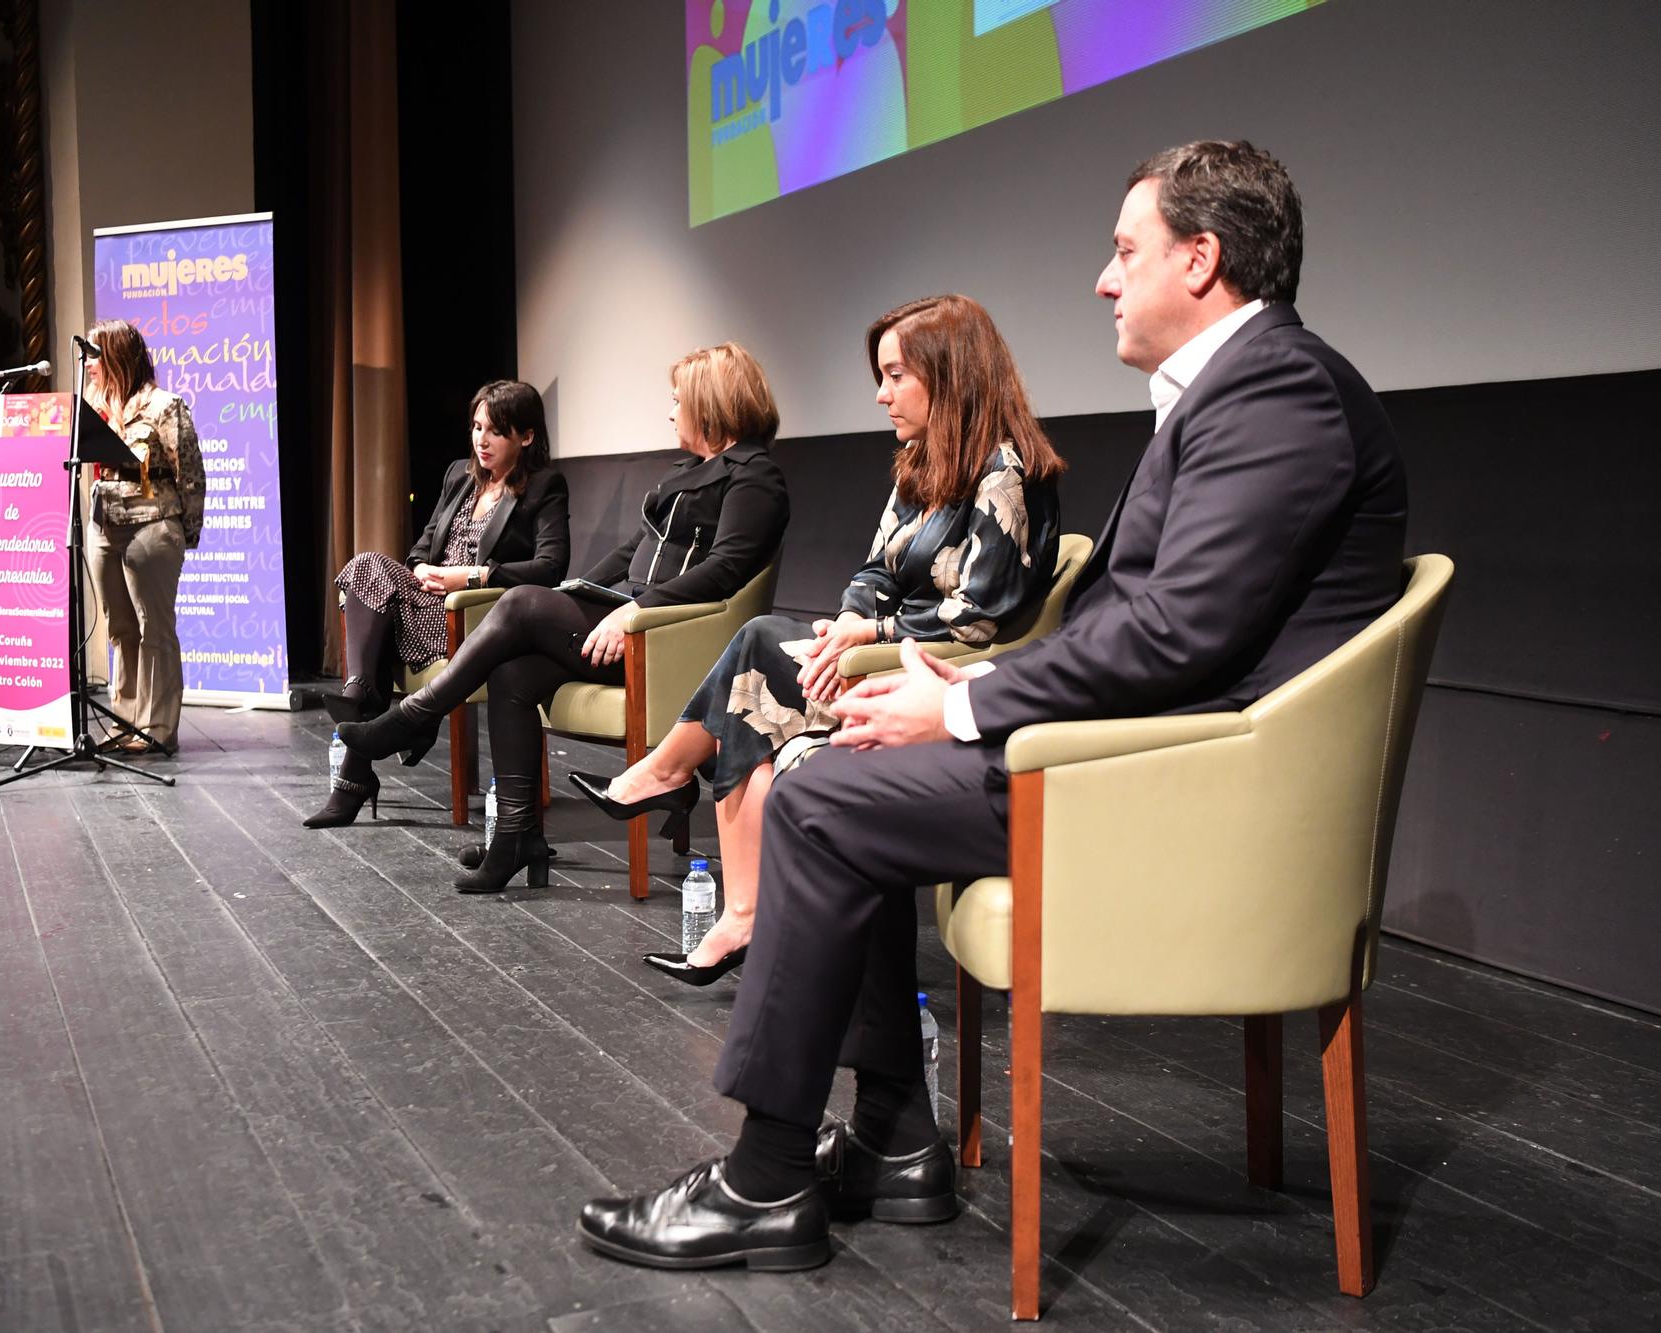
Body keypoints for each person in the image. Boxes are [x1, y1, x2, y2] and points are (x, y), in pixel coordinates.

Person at [577, 140, 1409, 1272]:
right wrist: (967, 684)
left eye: (1125, 251)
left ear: (1202, 260)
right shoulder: (1244, 391)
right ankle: (891, 1143)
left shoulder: (1276, 392)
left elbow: (1180, 635)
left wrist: (965, 711)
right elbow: (1153, 624)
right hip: (1151, 755)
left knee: (821, 798)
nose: (1104, 279)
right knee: (836, 775)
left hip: (1188, 791)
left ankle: (768, 1181)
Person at [570, 294, 1064, 986]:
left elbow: (977, 616)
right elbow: (872, 571)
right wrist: (852, 620)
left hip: (931, 674)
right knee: (755, 675)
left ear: (949, 375)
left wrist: (873, 631)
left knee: (758, 647)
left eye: (896, 376)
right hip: (879, 650)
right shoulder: (920, 466)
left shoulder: (1008, 473)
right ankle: (725, 885)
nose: (880, 393)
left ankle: (674, 785)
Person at [334, 342, 791, 895]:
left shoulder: (755, 476)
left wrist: (633, 613)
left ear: (711, 405)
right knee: (513, 674)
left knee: (523, 599)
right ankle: (517, 836)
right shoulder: (688, 472)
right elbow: (629, 552)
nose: (671, 412)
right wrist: (582, 592)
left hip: (669, 640)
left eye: (678, 401)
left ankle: (413, 716)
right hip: (636, 623)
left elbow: (724, 570)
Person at [307, 380, 569, 828]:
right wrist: (423, 571)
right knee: (368, 564)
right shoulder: (459, 476)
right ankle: (361, 695)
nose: (481, 441)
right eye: (476, 427)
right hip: (427, 600)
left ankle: (355, 766)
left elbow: (551, 567)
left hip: (479, 615)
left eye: (496, 432)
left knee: (376, 619)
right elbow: (422, 548)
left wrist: (467, 577)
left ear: (526, 437)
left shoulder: (544, 486)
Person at [82, 319, 206, 756]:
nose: (90, 365)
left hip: (152, 525)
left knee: (153, 627)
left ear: (118, 355)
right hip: (104, 527)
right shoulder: (92, 406)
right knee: (120, 628)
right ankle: (124, 722)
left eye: (97, 355)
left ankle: (156, 730)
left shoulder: (164, 405)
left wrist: (185, 533)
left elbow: (190, 473)